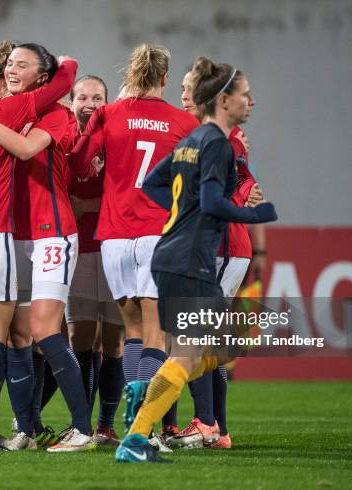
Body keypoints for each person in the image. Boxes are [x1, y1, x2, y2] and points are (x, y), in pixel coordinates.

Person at [115, 56, 277, 463]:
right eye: (244, 95)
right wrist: (252, 214)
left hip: (171, 255)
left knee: (211, 351)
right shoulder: (219, 144)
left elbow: (153, 184)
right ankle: (136, 438)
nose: (250, 102)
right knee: (196, 352)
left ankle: (146, 391)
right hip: (190, 261)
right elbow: (211, 201)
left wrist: (179, 213)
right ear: (223, 100)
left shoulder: (191, 141)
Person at [0, 43, 92, 452]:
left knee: (45, 328)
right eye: (9, 63)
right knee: (11, 336)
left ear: (42, 77)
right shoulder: (0, 110)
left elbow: (25, 149)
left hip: (51, 232)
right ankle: (25, 428)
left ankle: (82, 429)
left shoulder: (56, 114)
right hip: (11, 235)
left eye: (22, 64)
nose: (11, 69)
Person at [69, 44, 200, 449]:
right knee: (158, 336)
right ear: (164, 78)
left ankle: (133, 425)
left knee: (132, 335)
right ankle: (140, 430)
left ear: (132, 75)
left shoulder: (109, 114)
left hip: (114, 236)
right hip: (158, 234)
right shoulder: (183, 122)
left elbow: (78, 162)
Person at [165, 68, 264, 450]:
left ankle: (205, 423)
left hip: (220, 248)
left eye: (189, 88)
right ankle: (215, 429)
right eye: (183, 87)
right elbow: (243, 179)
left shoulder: (223, 135)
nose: (183, 94)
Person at [66, 75, 125, 445]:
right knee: (80, 339)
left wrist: (86, 206)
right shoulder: (63, 138)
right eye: (82, 97)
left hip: (113, 248)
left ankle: (105, 425)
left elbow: (127, 194)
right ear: (71, 102)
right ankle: (82, 426)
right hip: (78, 250)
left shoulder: (118, 138)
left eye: (97, 97)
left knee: (115, 342)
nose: (89, 103)